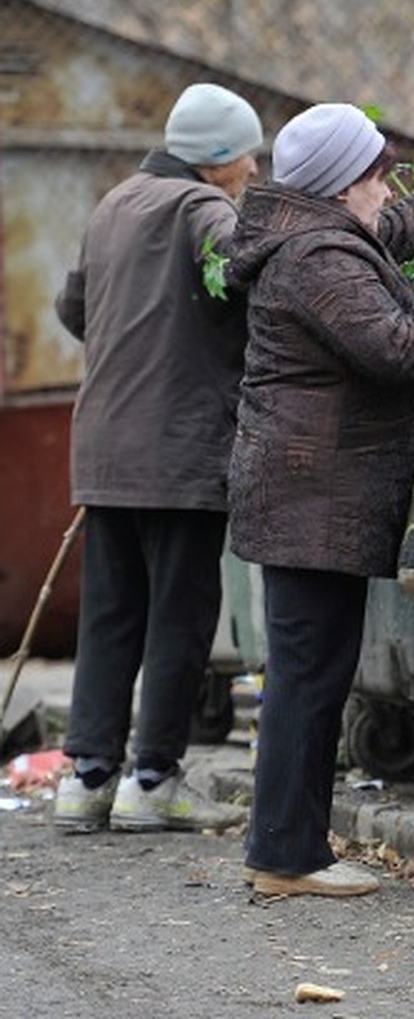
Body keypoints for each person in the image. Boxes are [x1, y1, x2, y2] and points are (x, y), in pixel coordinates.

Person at [229, 103, 414, 897]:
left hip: (306, 496)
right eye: (375, 173)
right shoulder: (317, 258)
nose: (387, 185)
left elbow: (394, 228)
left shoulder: (321, 238)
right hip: (310, 499)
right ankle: (285, 858)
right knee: (307, 678)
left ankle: (288, 850)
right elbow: (394, 348)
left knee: (313, 675)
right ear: (341, 185)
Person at [52, 83, 263, 834]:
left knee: (110, 614)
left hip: (105, 445)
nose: (251, 167)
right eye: (245, 153)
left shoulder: (115, 203)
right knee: (179, 614)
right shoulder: (203, 209)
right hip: (178, 450)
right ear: (215, 157)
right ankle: (154, 779)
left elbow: (72, 309)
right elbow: (250, 281)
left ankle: (87, 779)